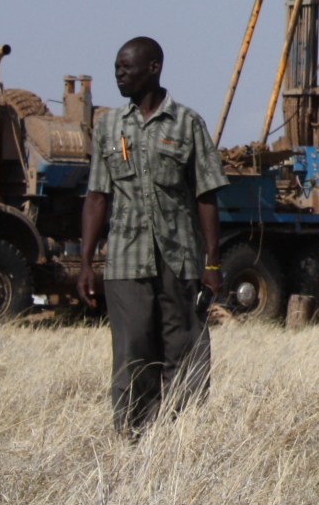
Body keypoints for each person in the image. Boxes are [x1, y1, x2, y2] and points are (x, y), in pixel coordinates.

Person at [78, 37, 228, 438]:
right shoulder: (109, 126)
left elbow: (206, 195)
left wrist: (211, 263)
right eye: (116, 68)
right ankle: (132, 439)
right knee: (132, 355)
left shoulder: (187, 123)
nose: (119, 74)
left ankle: (179, 438)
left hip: (178, 260)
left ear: (154, 67)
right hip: (125, 262)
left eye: (126, 67)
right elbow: (96, 197)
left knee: (185, 350)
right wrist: (86, 263)